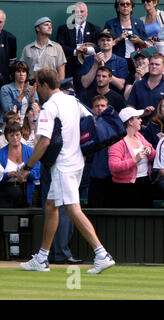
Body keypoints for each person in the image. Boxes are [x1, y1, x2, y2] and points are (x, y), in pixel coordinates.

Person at [18, 67, 115, 273]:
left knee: (72, 209)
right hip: (76, 162)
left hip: (63, 165)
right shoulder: (72, 100)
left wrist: (27, 167)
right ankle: (42, 257)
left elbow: (43, 142)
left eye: (37, 86)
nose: (36, 91)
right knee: (51, 205)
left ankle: (101, 253)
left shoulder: (49, 107)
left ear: (44, 85)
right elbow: (90, 120)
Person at [108, 107, 156, 208]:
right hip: (125, 189)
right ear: (130, 122)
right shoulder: (117, 142)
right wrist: (134, 160)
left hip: (145, 183)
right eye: (138, 118)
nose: (141, 120)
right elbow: (113, 167)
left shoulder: (139, 136)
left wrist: (150, 151)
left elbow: (153, 154)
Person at [56, 2, 100, 94]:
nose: (80, 14)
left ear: (87, 13)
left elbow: (100, 48)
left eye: (82, 11)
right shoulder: (63, 29)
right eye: (77, 12)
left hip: (88, 68)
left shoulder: (95, 29)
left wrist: (88, 50)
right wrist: (75, 51)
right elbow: (59, 47)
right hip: (68, 68)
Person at [127, 53, 164, 124]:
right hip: (140, 127)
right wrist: (142, 114)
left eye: (157, 64)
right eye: (152, 64)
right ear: (148, 66)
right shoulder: (138, 85)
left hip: (162, 128)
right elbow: (130, 108)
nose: (154, 66)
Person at [0, 122, 39, 208]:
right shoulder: (1, 153)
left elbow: (38, 172)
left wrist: (27, 173)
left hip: (27, 190)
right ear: (6, 137)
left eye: (17, 135)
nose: (15, 138)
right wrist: (8, 175)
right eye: (11, 135)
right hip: (5, 194)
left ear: (21, 135)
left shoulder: (30, 151)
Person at [80, 29, 128, 94]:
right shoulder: (89, 60)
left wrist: (104, 68)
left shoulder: (121, 61)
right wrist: (95, 64)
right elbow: (85, 84)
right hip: (92, 98)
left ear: (113, 42)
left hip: (113, 99)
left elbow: (120, 86)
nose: (105, 43)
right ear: (98, 43)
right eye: (102, 40)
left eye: (108, 40)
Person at [87, 95, 114, 208]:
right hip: (94, 175)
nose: (100, 108)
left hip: (112, 176)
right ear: (92, 109)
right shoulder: (86, 125)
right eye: (97, 106)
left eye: (103, 105)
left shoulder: (115, 125)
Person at [104, 0, 147, 65]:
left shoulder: (139, 23)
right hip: (117, 60)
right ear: (118, 8)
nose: (125, 6)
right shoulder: (110, 24)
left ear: (131, 7)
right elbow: (104, 44)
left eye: (128, 4)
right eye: (122, 4)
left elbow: (146, 44)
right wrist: (118, 39)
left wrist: (139, 41)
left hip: (136, 61)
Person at [0, 61, 39, 125]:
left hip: (27, 125)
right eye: (18, 71)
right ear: (13, 74)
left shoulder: (31, 88)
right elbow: (9, 111)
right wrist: (22, 94)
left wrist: (32, 98)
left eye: (24, 71)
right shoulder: (6, 89)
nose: (21, 74)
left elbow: (36, 110)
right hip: (10, 125)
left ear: (27, 74)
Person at [0, 10, 17, 89]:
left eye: (0, 22)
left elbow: (12, 63)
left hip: (3, 83)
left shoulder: (10, 38)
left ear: (4, 22)